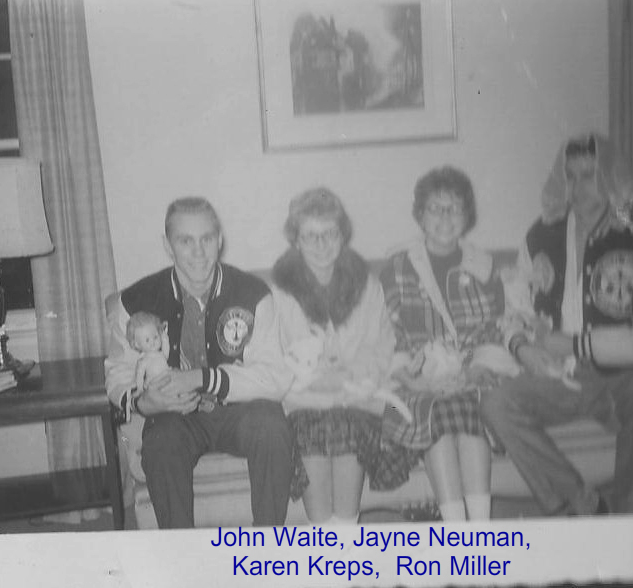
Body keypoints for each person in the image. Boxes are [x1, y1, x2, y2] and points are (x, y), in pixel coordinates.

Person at [481, 133, 633, 515]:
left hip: (624, 376)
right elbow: (513, 306)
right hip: (559, 375)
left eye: (589, 175)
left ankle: (627, 516)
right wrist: (522, 347)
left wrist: (576, 344)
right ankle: (582, 504)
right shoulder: (540, 234)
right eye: (570, 177)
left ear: (611, 178)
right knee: (496, 404)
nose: (577, 188)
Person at [104, 197, 294, 529]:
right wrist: (144, 401)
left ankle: (267, 546)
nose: (198, 252)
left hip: (240, 411)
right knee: (161, 443)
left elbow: (275, 377)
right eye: (185, 241)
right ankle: (183, 552)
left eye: (206, 239)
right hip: (176, 417)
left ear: (219, 240)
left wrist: (201, 378)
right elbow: (118, 372)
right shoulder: (135, 300)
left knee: (273, 428)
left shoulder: (253, 293)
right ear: (168, 245)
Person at [379, 166, 517, 522]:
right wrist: (415, 380)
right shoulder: (397, 266)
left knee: (469, 409)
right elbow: (388, 334)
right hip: (416, 383)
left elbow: (496, 328)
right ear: (420, 215)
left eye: (454, 208)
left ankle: (480, 530)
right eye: (435, 208)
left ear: (467, 215)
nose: (444, 217)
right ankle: (455, 531)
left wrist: (473, 373)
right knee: (438, 412)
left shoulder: (483, 266)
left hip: (474, 377)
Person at [273, 187, 412, 524]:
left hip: (357, 395)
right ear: (296, 240)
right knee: (311, 429)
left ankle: (346, 529)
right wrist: (320, 383)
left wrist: (350, 376)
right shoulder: (279, 292)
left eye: (330, 233)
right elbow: (276, 358)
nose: (322, 244)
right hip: (304, 399)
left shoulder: (367, 284)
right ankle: (322, 533)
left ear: (342, 235)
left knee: (349, 423)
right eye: (311, 235)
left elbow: (382, 344)